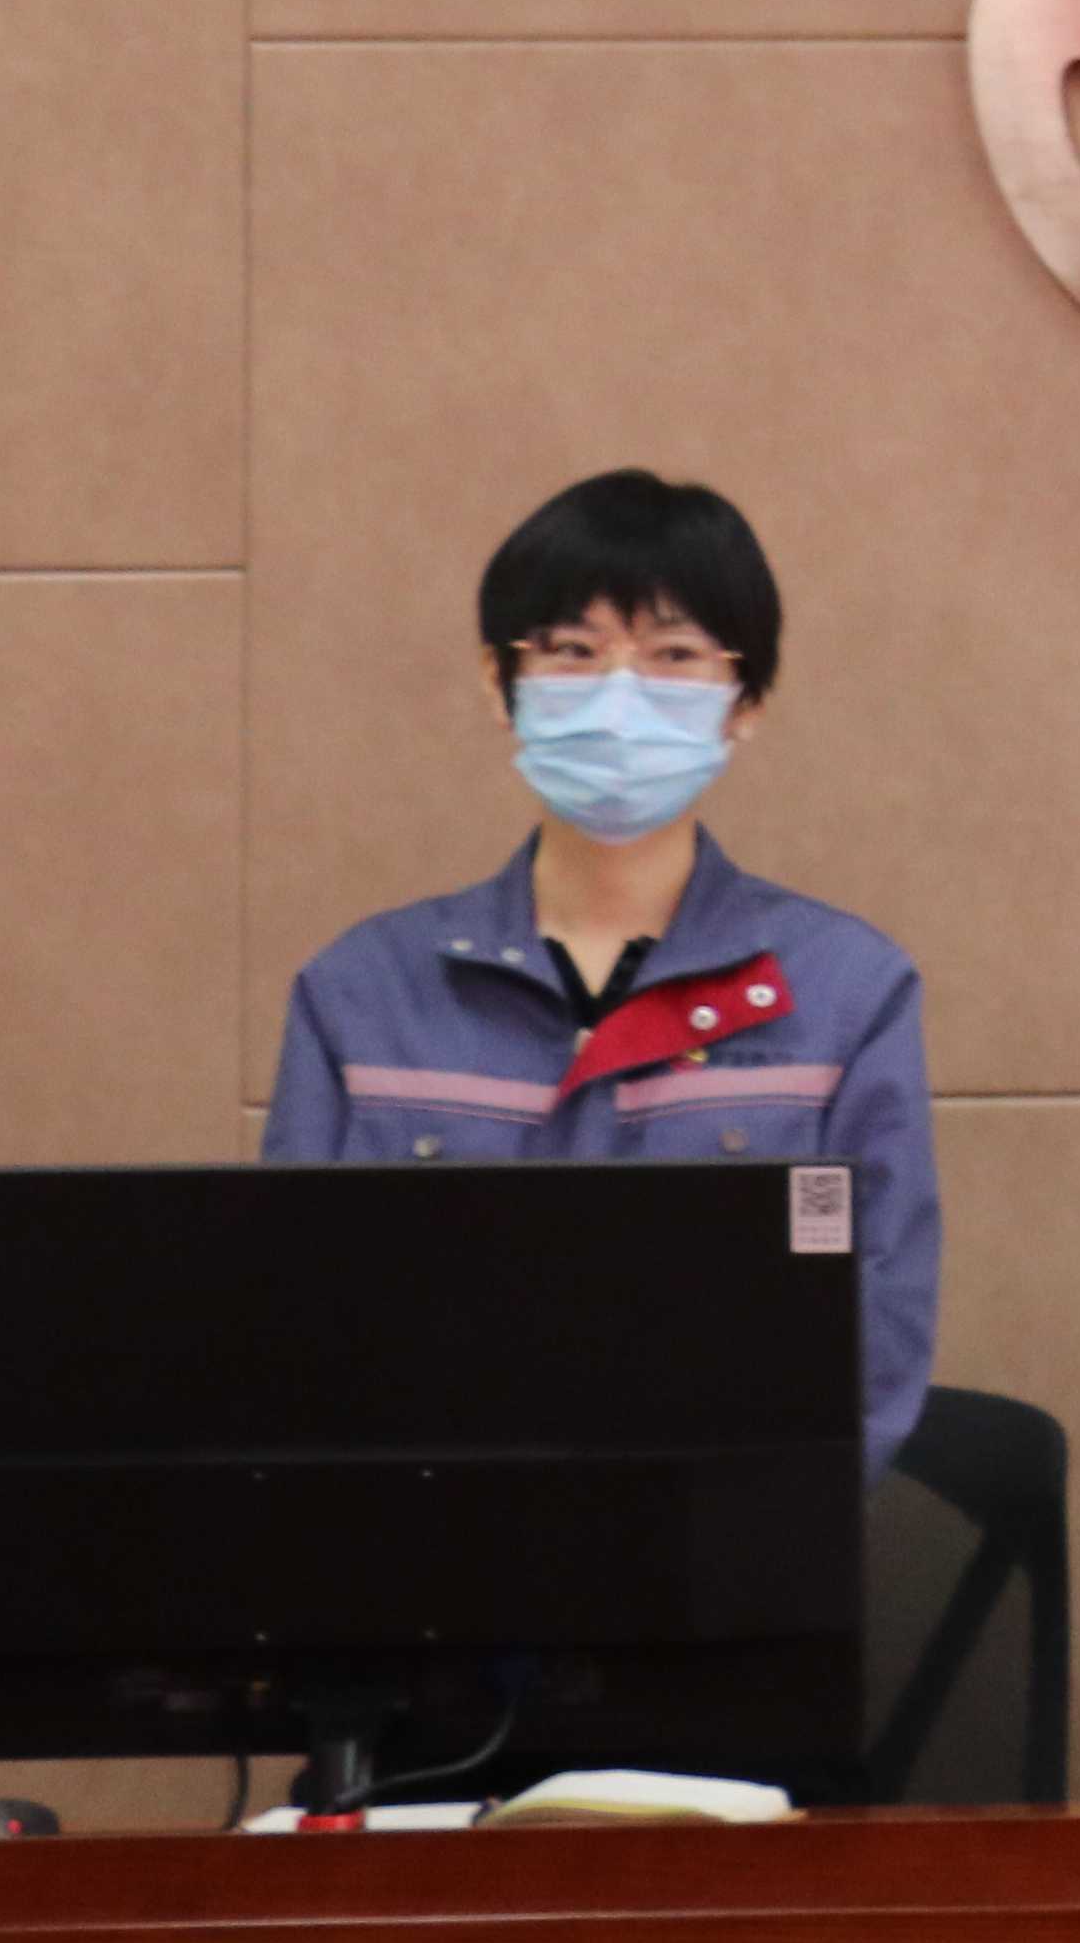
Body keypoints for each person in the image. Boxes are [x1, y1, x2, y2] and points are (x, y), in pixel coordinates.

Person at [265, 470, 941, 1480]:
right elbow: (291, 1315)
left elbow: (876, 1332)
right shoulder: (361, 990)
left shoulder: (846, 990)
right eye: (573, 652)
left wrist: (754, 1541)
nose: (620, 698)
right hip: (422, 1547)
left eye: (675, 656)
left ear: (747, 701)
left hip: (728, 1554)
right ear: (499, 681)